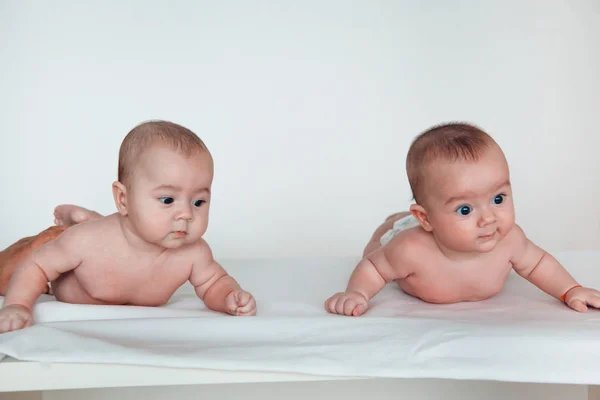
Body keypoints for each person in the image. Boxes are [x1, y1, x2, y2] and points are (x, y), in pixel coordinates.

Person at [0, 120, 256, 333]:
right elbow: (36, 266)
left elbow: (213, 283)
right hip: (66, 252)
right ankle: (78, 221)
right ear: (123, 199)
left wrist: (228, 297)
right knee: (12, 271)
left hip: (118, 228)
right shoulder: (85, 242)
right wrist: (18, 305)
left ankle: (89, 216)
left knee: (113, 228)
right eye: (167, 200)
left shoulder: (193, 253)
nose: (187, 214)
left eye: (199, 201)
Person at [325, 122, 600, 316]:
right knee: (378, 244)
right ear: (426, 218)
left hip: (433, 227)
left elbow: (538, 264)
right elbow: (374, 268)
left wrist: (570, 289)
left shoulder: (510, 239)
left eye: (498, 199)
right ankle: (395, 220)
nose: (488, 218)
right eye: (465, 210)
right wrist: (357, 293)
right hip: (410, 233)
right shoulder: (410, 249)